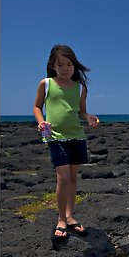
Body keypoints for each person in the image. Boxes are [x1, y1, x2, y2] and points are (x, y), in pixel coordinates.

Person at [33, 44, 99, 243]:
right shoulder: (46, 84)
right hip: (55, 137)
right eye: (60, 65)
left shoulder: (80, 88)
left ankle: (70, 216)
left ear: (74, 65)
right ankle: (61, 219)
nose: (65, 68)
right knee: (62, 177)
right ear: (53, 65)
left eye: (69, 64)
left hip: (76, 137)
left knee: (72, 178)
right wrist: (41, 122)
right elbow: (37, 107)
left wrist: (88, 117)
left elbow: (80, 111)